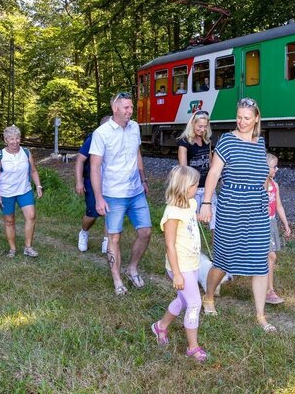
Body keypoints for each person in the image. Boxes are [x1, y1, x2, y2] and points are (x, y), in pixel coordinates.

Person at [197, 97, 277, 332]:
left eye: (246, 118)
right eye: (239, 117)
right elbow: (213, 174)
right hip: (231, 207)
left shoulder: (259, 142)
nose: (241, 122)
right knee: (223, 260)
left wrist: (266, 201)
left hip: (257, 210)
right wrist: (207, 203)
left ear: (256, 119)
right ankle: (209, 296)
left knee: (260, 263)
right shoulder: (227, 142)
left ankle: (260, 316)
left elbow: (262, 176)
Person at [89, 92, 152, 295]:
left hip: (135, 192)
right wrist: (99, 197)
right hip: (113, 194)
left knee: (146, 232)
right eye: (126, 107)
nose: (130, 111)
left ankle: (132, 268)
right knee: (114, 238)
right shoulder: (102, 133)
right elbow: (95, 167)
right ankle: (117, 280)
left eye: (131, 107)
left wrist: (143, 180)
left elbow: (137, 154)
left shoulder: (134, 128)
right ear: (115, 108)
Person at [151, 165, 209, 362]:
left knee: (182, 300)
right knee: (194, 303)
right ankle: (193, 348)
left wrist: (199, 216)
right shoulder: (172, 213)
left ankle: (160, 326)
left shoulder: (190, 203)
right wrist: (176, 273)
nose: (197, 188)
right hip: (180, 266)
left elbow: (191, 222)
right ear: (184, 187)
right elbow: (169, 245)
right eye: (195, 185)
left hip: (192, 262)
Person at [0, 125, 43, 258]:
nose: (15, 141)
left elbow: (33, 171)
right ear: (6, 140)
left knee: (31, 216)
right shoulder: (0, 155)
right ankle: (13, 249)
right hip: (6, 193)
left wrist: (38, 186)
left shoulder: (26, 152)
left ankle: (28, 247)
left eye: (17, 138)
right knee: (9, 221)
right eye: (11, 139)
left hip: (24, 190)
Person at [76, 116, 111, 254]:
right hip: (92, 181)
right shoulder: (93, 138)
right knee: (93, 213)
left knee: (111, 213)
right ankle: (84, 232)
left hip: (111, 182)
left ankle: (107, 241)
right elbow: (80, 160)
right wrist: (79, 181)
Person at [264, 153, 292, 305]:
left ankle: (268, 290)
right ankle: (269, 291)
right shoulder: (259, 185)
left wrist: (286, 224)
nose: (277, 169)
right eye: (274, 167)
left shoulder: (275, 185)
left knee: (269, 257)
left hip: (271, 223)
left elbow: (279, 206)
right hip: (260, 224)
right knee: (271, 256)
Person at [177, 110, 212, 211]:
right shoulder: (184, 142)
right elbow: (184, 169)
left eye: (205, 127)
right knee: (193, 219)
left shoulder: (207, 141)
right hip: (193, 188)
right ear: (193, 124)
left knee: (213, 218)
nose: (203, 129)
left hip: (207, 187)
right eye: (200, 126)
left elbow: (210, 163)